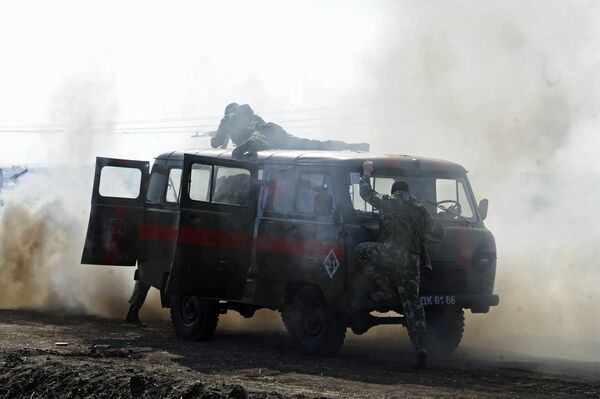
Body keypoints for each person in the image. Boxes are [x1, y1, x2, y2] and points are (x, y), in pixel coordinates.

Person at [355, 160, 443, 369]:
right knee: (413, 304)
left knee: (361, 251)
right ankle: (421, 348)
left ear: (395, 191)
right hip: (412, 260)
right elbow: (436, 231)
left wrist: (366, 173)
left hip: (391, 253)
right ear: (408, 192)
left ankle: (385, 288)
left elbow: (366, 194)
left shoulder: (388, 201)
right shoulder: (420, 207)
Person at [210, 103, 370, 158]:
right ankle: (355, 146)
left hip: (263, 135)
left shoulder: (227, 121)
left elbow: (215, 143)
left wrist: (223, 127)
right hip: (276, 132)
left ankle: (254, 144)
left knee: (257, 140)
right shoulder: (249, 113)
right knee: (315, 145)